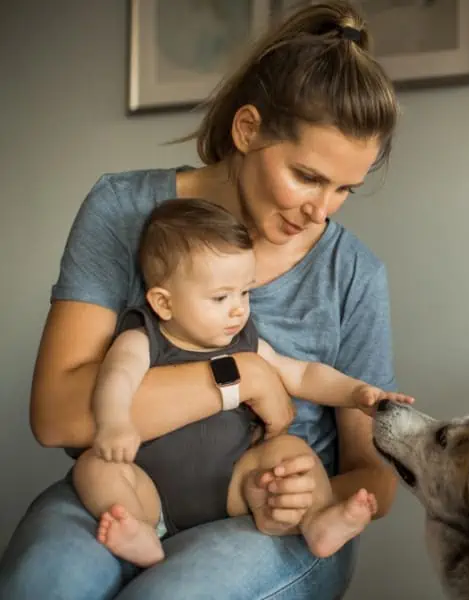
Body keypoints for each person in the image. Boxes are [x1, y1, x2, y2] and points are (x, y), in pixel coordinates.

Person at [0, 2, 404, 598]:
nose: (320, 210)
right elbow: (57, 415)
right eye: (307, 176)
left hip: (264, 510)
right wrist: (237, 375)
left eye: (345, 188)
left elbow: (374, 478)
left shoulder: (354, 273)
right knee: (45, 582)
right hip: (131, 487)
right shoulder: (124, 211)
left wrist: (318, 495)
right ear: (248, 130)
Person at [74, 197, 414, 568]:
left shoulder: (245, 340)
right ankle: (139, 529)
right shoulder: (142, 339)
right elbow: (116, 378)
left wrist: (354, 393)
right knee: (94, 467)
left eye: (245, 292)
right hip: (150, 489)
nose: (238, 309)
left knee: (291, 451)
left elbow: (301, 373)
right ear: (163, 303)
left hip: (236, 484)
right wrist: (114, 423)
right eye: (220, 297)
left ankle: (316, 519)